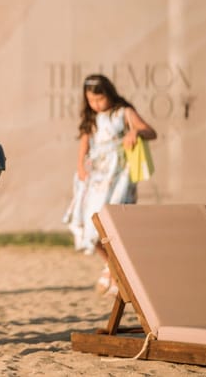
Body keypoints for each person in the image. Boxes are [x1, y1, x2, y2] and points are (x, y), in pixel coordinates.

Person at [66, 73, 156, 294]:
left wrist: (135, 131)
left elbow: (150, 131)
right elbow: (84, 144)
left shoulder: (123, 113)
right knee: (91, 224)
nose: (96, 104)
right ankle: (111, 265)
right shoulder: (91, 119)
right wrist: (80, 166)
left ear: (109, 94)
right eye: (91, 100)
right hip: (96, 176)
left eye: (100, 99)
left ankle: (115, 273)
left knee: (112, 222)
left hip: (118, 176)